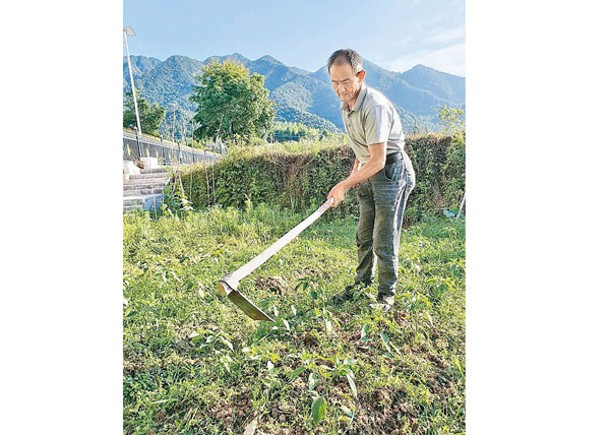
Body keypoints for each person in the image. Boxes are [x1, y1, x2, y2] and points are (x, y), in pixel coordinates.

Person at [325, 48, 416, 312]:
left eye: (345, 81)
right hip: (368, 169)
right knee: (364, 234)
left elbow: (378, 159)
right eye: (334, 82)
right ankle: (361, 284)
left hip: (390, 171)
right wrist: (355, 169)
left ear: (360, 75)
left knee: (383, 238)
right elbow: (362, 146)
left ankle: (386, 295)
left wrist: (344, 184)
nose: (340, 89)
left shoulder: (373, 106)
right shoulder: (346, 105)